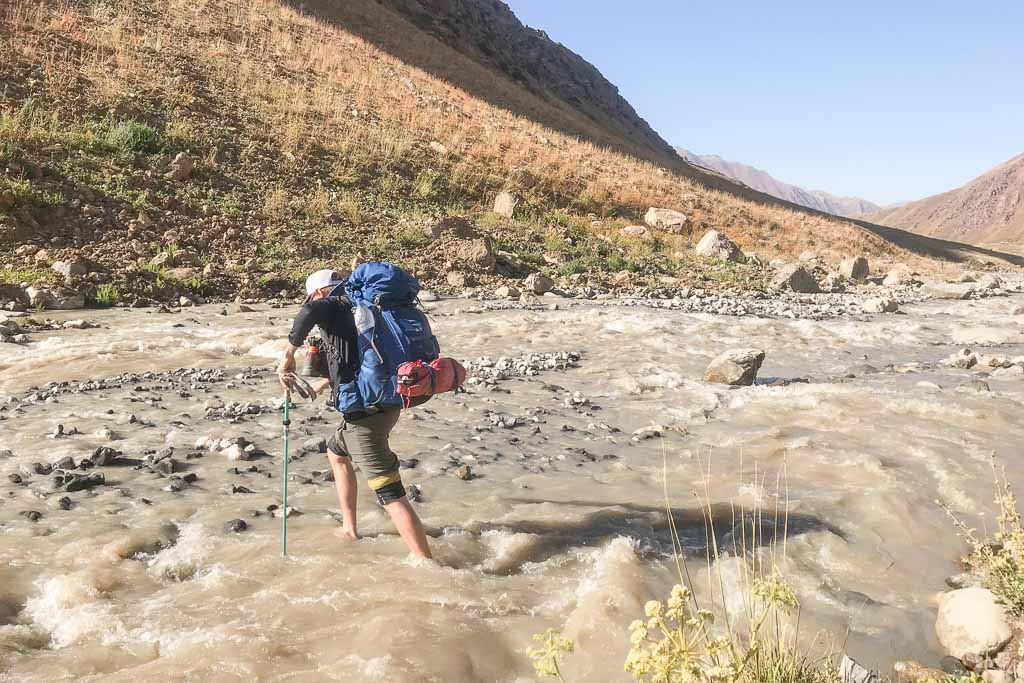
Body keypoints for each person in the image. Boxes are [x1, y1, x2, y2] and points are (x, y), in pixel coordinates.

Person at [277, 268, 432, 559]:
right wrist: (326, 383)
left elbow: (310, 310)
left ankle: (429, 566)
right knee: (336, 452)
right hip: (385, 402)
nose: (311, 301)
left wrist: (288, 354)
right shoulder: (362, 308)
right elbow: (360, 356)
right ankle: (350, 528)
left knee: (390, 494)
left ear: (320, 292)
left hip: (366, 415)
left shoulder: (332, 305)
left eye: (312, 295)